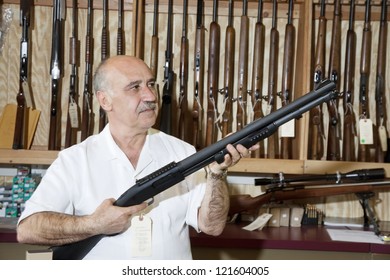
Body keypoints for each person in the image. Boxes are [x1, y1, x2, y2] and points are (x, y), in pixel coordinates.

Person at [17, 55, 257, 260]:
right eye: (135, 87)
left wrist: (217, 173)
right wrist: (94, 225)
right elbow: (27, 229)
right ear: (104, 100)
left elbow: (212, 226)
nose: (150, 96)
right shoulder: (74, 160)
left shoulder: (183, 152)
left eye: (151, 84)